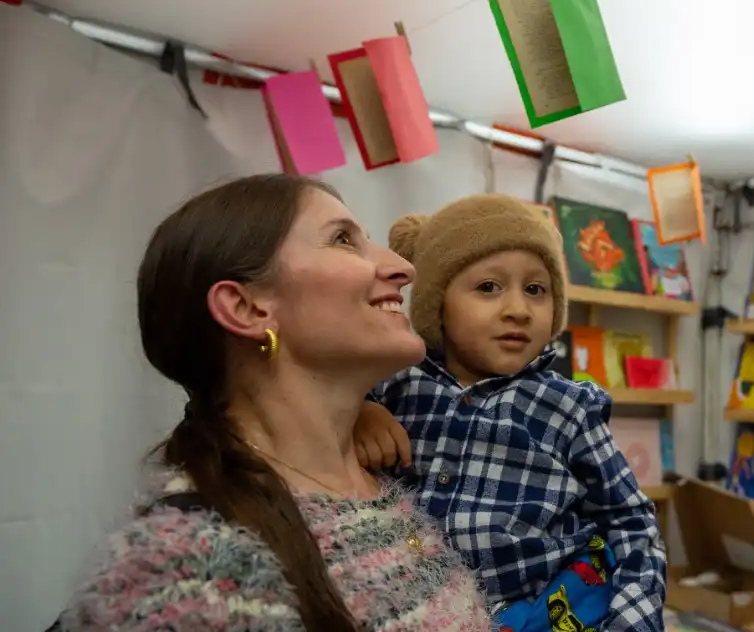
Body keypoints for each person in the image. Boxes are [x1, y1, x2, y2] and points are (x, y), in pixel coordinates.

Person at [55, 175, 490, 632]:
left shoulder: (390, 485)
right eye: (343, 239)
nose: (403, 267)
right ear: (247, 309)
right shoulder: (195, 571)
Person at [353, 194, 666, 632]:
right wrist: (360, 413)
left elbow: (631, 521)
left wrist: (634, 619)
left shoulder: (569, 406)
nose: (518, 309)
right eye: (488, 287)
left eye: (536, 290)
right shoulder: (393, 385)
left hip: (544, 612)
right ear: (436, 303)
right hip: (415, 608)